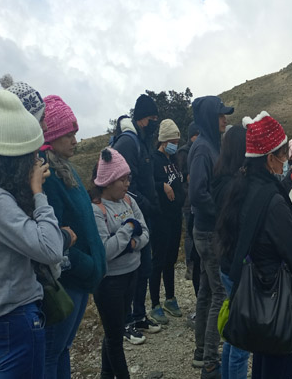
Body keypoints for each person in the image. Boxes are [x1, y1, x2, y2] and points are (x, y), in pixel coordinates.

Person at [0, 90, 66, 378]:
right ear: (16, 157)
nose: (35, 160)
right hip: (14, 322)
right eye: (32, 154)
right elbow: (51, 248)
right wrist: (38, 193)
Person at [214, 111, 292, 378]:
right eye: (283, 154)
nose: (286, 160)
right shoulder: (272, 199)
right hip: (277, 298)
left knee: (262, 364)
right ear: (270, 158)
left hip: (256, 296)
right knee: (278, 365)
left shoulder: (242, 185)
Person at [41, 95, 107, 379]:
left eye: (75, 134)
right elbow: (51, 231)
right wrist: (87, 265)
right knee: (51, 352)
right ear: (52, 135)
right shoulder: (46, 173)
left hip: (81, 280)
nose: (75, 141)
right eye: (69, 134)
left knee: (62, 348)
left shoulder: (64, 168)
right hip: (68, 280)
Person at [90, 148, 150, 379]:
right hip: (110, 283)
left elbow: (145, 232)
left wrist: (132, 244)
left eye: (128, 179)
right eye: (122, 179)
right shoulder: (97, 210)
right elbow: (105, 251)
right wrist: (128, 229)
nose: (127, 184)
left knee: (113, 331)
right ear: (107, 181)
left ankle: (107, 374)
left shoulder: (128, 200)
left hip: (131, 274)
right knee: (115, 337)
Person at [189, 96, 234, 377]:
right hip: (207, 232)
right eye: (221, 115)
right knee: (220, 292)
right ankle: (211, 359)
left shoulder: (209, 145)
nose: (225, 119)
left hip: (207, 230)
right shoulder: (203, 149)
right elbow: (197, 193)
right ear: (209, 118)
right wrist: (220, 212)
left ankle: (200, 352)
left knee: (206, 291)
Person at [112, 94, 162, 340]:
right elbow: (122, 180)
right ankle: (125, 322)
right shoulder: (129, 143)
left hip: (145, 213)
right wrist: (143, 203)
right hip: (130, 215)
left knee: (145, 266)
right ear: (142, 119)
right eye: (153, 118)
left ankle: (139, 315)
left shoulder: (143, 141)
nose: (155, 122)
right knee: (131, 270)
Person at [208, 124, 250, 379]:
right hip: (236, 262)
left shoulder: (221, 176)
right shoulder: (233, 184)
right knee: (241, 340)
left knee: (233, 335)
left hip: (227, 259)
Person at [147, 119, 186, 325]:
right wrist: (162, 185)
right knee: (159, 259)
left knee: (171, 258)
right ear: (164, 140)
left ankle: (170, 298)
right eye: (173, 140)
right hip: (160, 216)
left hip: (174, 215)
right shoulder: (154, 159)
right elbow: (146, 183)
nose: (176, 144)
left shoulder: (174, 159)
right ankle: (155, 304)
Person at [176, 122, 201, 292]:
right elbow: (179, 174)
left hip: (194, 197)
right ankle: (189, 266)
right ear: (193, 135)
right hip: (186, 199)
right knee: (190, 235)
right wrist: (188, 178)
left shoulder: (197, 149)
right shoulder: (184, 152)